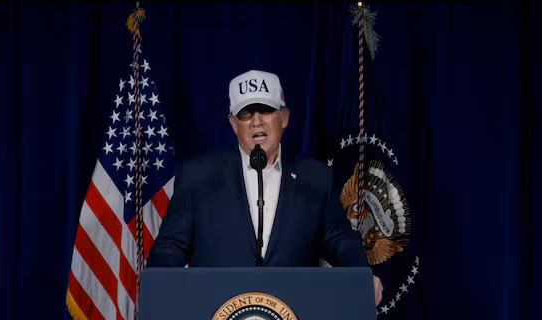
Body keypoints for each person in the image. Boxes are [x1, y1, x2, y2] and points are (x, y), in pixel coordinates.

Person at [146, 70, 383, 305]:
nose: (256, 121)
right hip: (215, 319)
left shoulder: (316, 178)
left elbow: (339, 239)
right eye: (246, 113)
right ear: (233, 124)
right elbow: (172, 246)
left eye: (267, 110)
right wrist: (155, 284)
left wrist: (362, 275)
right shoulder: (198, 176)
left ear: (284, 118)